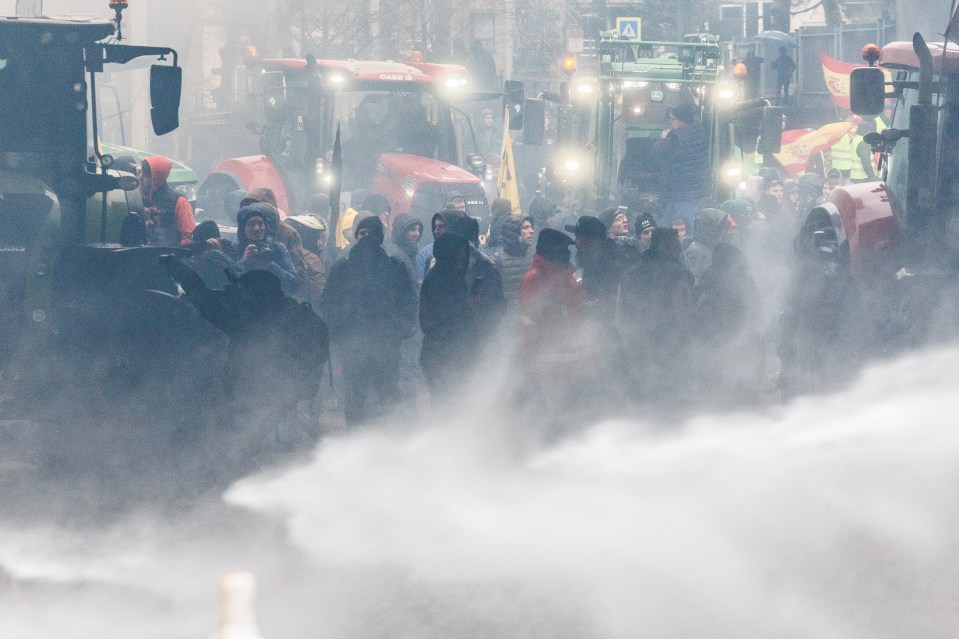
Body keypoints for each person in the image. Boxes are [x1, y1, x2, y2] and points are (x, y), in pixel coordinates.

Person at [163, 259, 330, 463]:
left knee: (237, 444)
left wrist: (185, 275)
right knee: (251, 444)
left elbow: (209, 304)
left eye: (242, 290)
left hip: (256, 393)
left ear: (254, 293)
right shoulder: (291, 311)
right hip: (288, 392)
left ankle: (240, 483)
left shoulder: (253, 317)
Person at [319, 216, 417, 426]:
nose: (366, 239)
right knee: (355, 397)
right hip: (353, 346)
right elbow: (328, 303)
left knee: (388, 395)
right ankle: (356, 445)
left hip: (386, 343)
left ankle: (390, 440)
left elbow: (408, 300)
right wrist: (339, 331)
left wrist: (401, 328)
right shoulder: (342, 269)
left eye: (371, 235)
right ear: (356, 236)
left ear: (379, 238)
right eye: (362, 234)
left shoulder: (395, 266)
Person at [617, 228, 695, 399]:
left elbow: (621, 314)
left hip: (638, 344)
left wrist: (626, 339)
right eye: (674, 245)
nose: (677, 249)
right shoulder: (681, 275)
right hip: (671, 345)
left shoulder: (630, 273)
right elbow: (684, 313)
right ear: (663, 246)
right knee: (669, 394)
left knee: (643, 393)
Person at [692, 242, 764, 404]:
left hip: (723, 346)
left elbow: (696, 311)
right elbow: (757, 311)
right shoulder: (742, 281)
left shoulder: (708, 280)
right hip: (727, 346)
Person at [418, 232, 472, 398]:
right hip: (441, 353)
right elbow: (434, 320)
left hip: (449, 352)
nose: (463, 257)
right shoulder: (438, 281)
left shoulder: (454, 278)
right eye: (460, 253)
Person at [655, 103, 712, 231]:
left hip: (684, 190)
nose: (670, 122)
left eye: (672, 119)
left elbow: (658, 151)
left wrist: (663, 138)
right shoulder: (698, 130)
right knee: (667, 221)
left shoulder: (677, 136)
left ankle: (686, 246)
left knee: (686, 225)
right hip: (691, 188)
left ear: (681, 121)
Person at [235, 203, 301, 295]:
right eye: (251, 224)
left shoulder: (278, 248)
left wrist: (272, 266)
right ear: (243, 229)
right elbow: (229, 282)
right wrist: (244, 261)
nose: (257, 228)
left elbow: (294, 284)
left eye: (260, 223)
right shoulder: (235, 250)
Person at [566, 215, 621, 320]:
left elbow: (612, 300)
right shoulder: (593, 262)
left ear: (592, 241)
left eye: (578, 237)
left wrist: (592, 307)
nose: (575, 242)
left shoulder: (610, 264)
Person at [140, 156, 196, 246]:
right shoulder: (137, 196)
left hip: (166, 255)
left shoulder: (179, 201)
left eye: (147, 176)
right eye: (143, 174)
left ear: (157, 176)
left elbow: (188, 236)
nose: (143, 179)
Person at [492, 215, 535, 305]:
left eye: (531, 227)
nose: (531, 231)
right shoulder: (499, 260)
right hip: (508, 315)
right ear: (514, 233)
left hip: (530, 313)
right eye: (525, 228)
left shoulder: (533, 256)